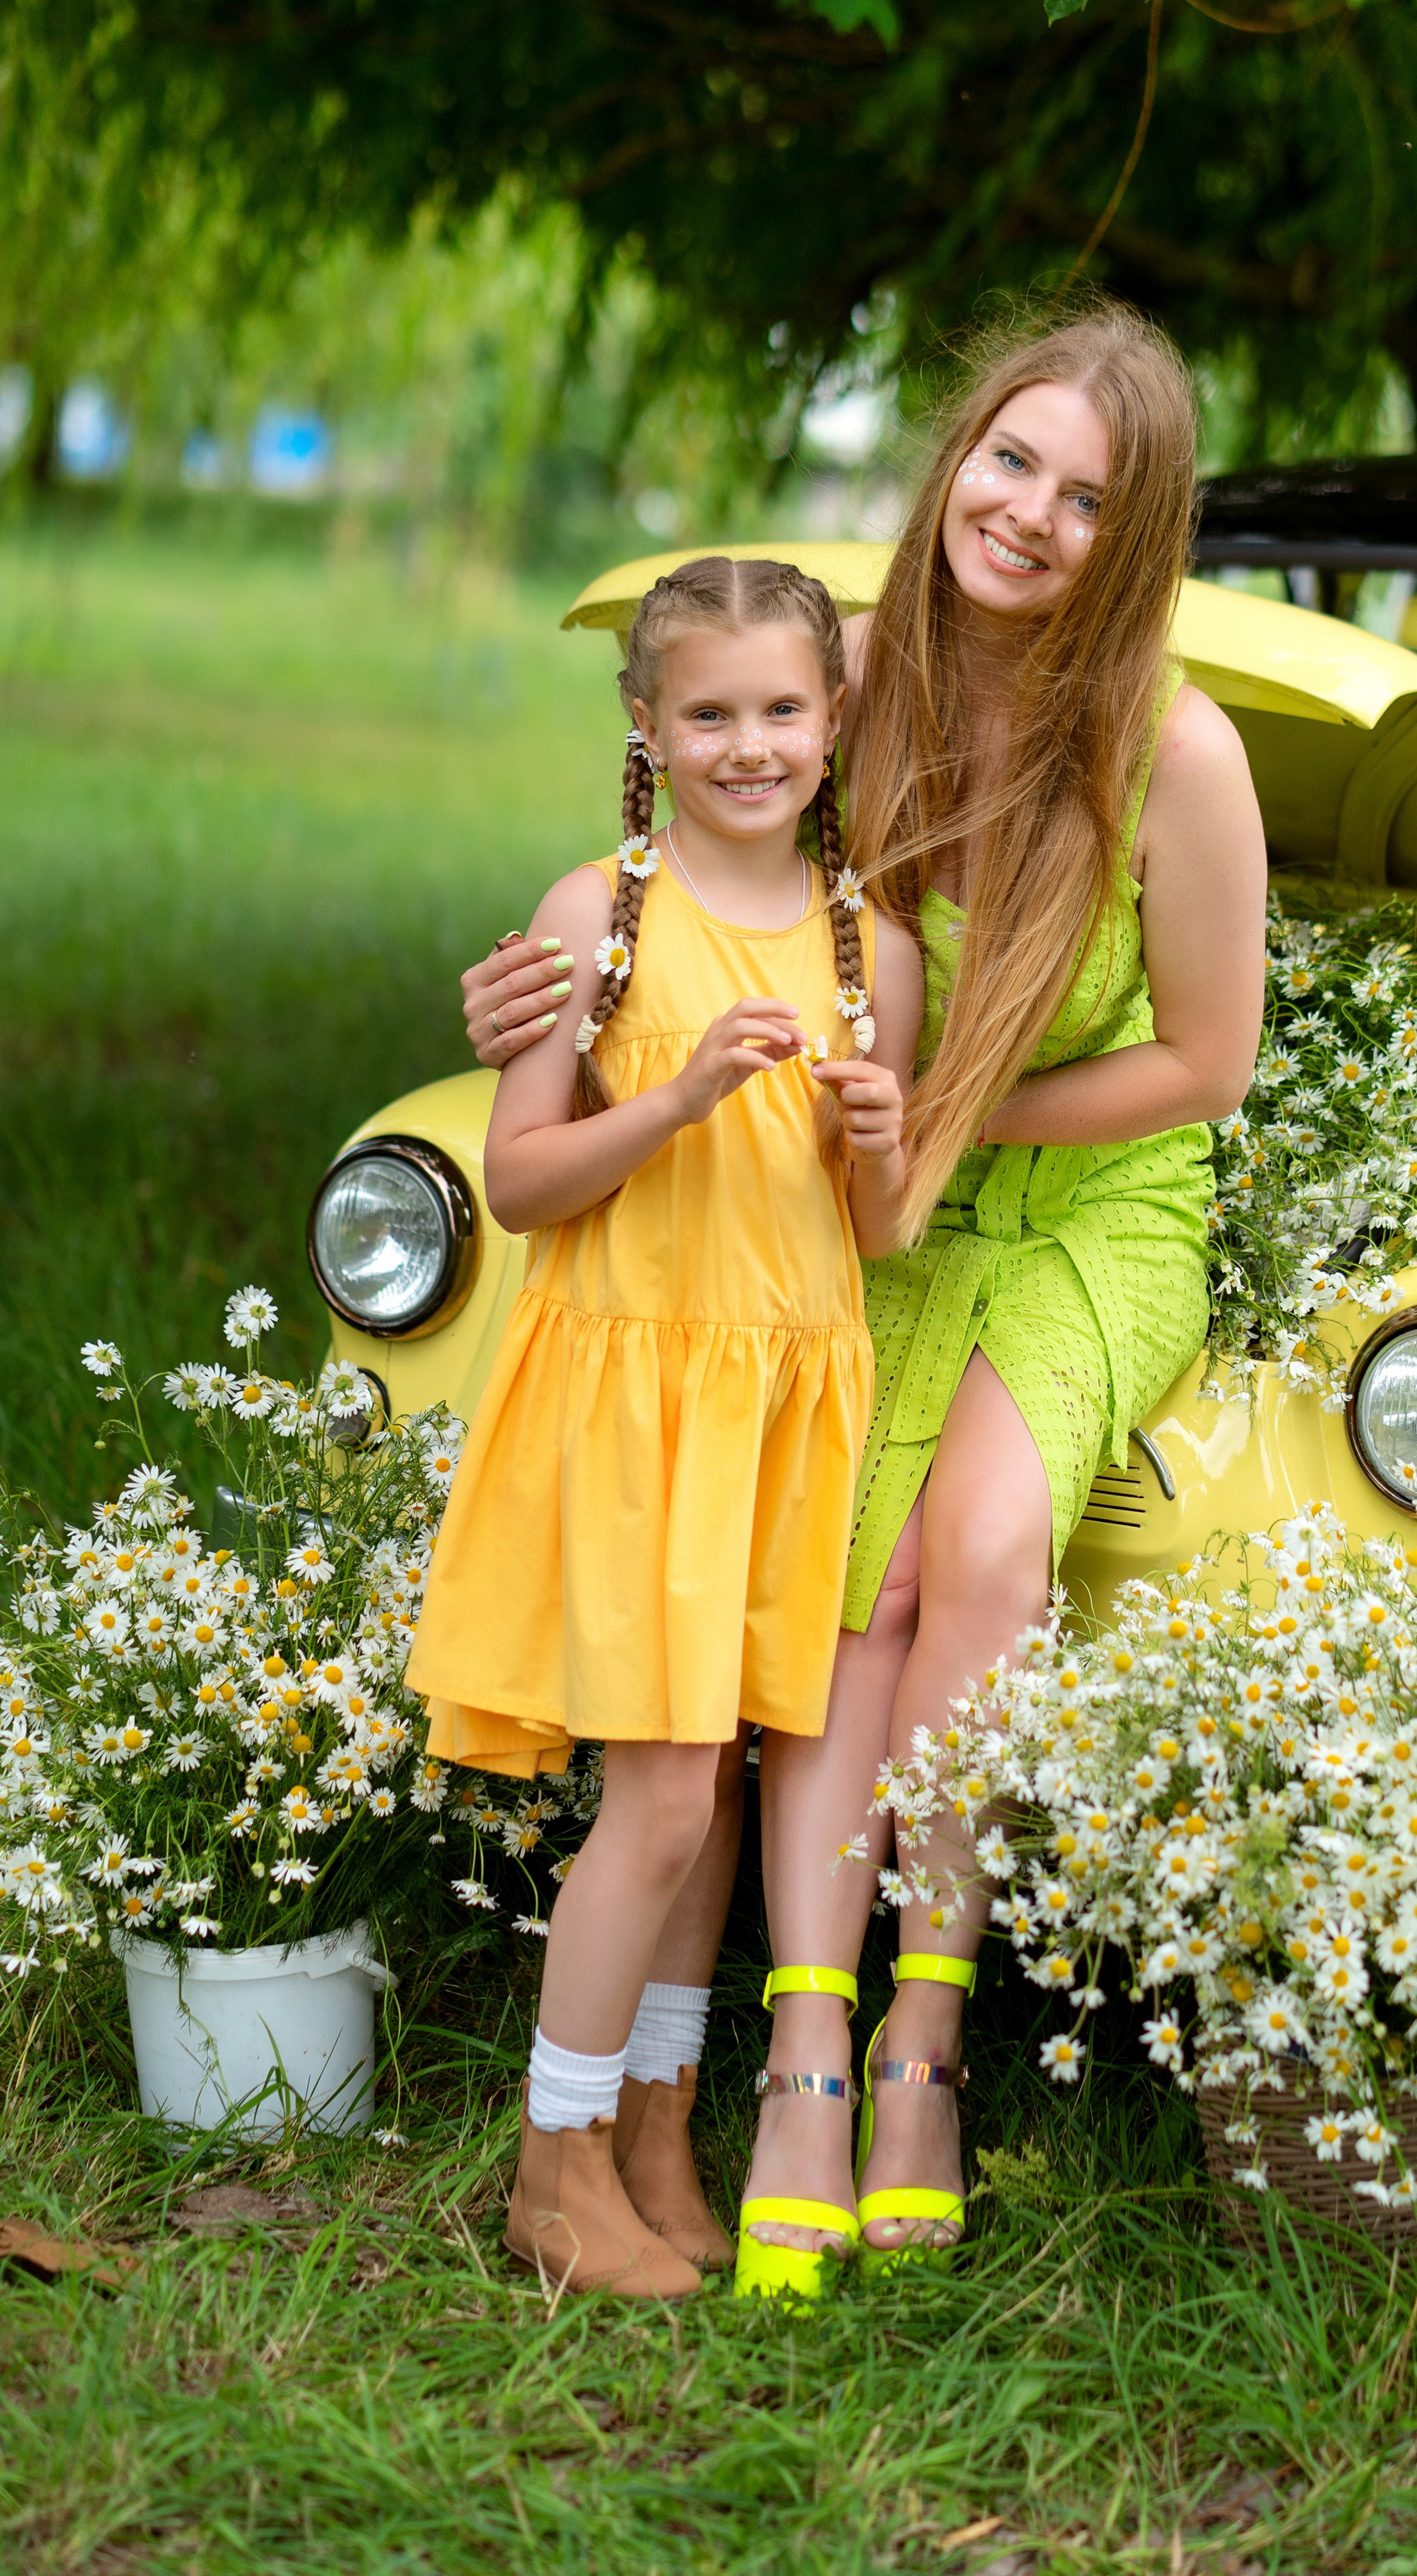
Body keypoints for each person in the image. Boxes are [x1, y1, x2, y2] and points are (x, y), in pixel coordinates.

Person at [461, 305, 1266, 2290]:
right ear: (954, 454)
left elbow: (1204, 1065)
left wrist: (955, 1107)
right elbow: (680, 884)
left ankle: (920, 2038)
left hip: (1089, 1199)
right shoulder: (848, 688)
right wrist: (520, 1012)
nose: (1030, 515)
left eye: (1090, 497)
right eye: (1010, 459)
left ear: (1135, 536)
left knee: (982, 1540)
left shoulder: (1172, 746)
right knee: (847, 1578)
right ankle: (793, 2041)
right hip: (861, 1200)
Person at [409, 554, 921, 2301]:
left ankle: (654, 2123)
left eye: (782, 709)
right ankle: (553, 2164)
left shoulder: (877, 953)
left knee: (710, 1788)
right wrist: (685, 1092)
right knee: (657, 1799)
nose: (749, 743)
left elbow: (875, 1234)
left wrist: (872, 1135)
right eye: (708, 712)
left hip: (776, 1410)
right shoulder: (594, 918)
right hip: (633, 1400)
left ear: (834, 719)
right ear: (646, 725)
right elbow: (524, 1177)